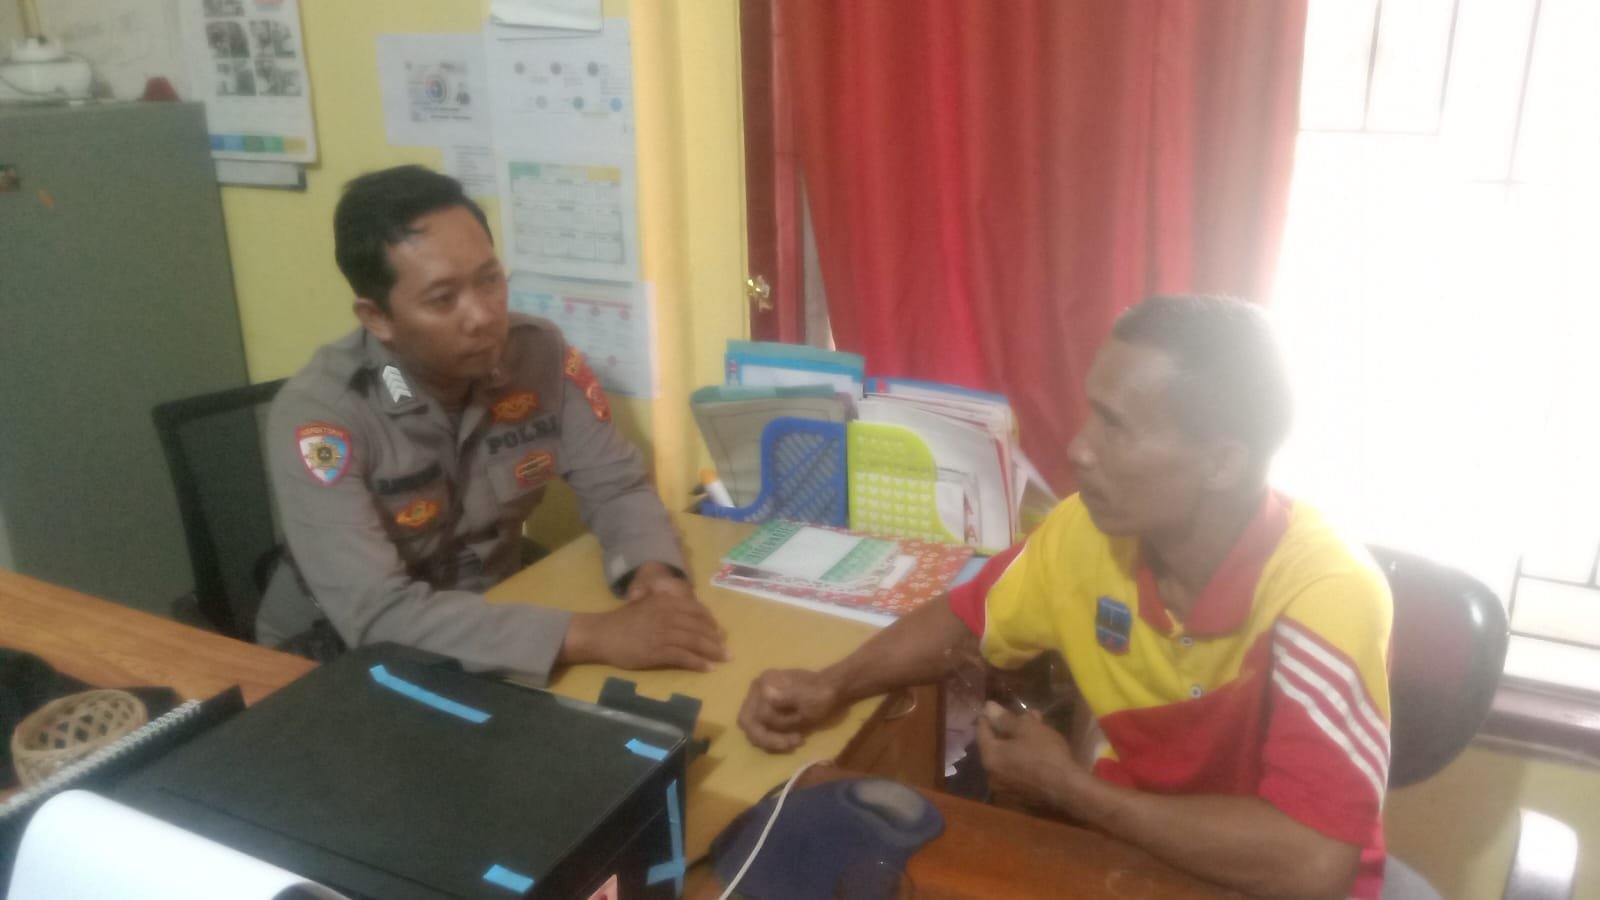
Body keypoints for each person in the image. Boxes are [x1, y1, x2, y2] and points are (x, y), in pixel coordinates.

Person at [737, 296, 1393, 899]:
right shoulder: (1088, 533)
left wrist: (1070, 789)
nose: (1079, 449)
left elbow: (1312, 864)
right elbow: (968, 620)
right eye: (1090, 413)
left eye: (1116, 427)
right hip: (1126, 856)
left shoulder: (1326, 593)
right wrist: (833, 684)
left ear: (1222, 462)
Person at [257, 165, 727, 685]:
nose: (483, 315)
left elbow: (615, 487)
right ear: (377, 318)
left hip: (495, 621)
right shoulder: (324, 417)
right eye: (443, 299)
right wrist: (592, 635)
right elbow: (377, 615)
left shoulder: (539, 355)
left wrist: (652, 572)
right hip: (333, 657)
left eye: (489, 280)